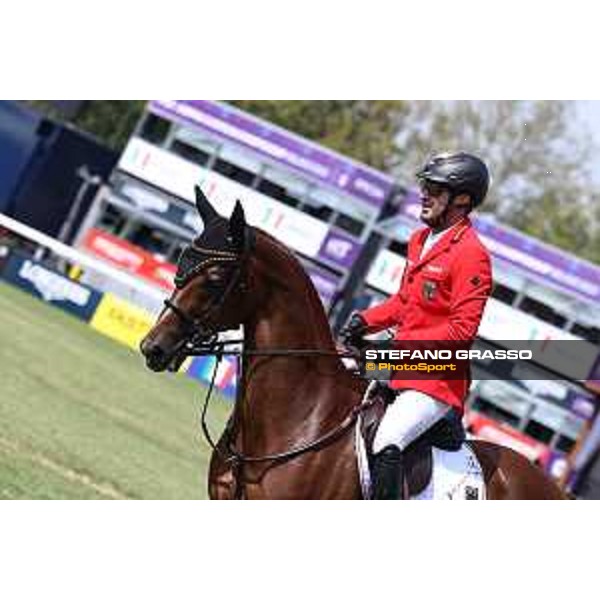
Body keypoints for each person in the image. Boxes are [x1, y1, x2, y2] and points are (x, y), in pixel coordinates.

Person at [340, 152, 493, 499]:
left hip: (435, 381)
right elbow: (405, 303)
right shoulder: (419, 240)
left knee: (387, 440)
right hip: (399, 365)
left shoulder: (472, 254)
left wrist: (397, 349)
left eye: (436, 189)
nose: (424, 194)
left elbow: (461, 332)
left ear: (463, 199)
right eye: (425, 186)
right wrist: (364, 321)